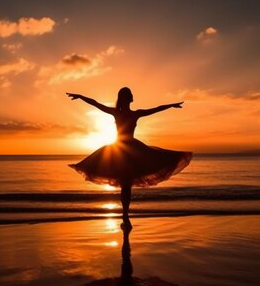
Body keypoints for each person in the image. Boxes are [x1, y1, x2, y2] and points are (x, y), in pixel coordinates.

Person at [67, 87, 192, 229]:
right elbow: (96, 104)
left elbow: (155, 109)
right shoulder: (119, 113)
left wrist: (170, 105)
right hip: (120, 150)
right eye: (130, 94)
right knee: (125, 186)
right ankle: (125, 216)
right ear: (126, 98)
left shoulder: (134, 114)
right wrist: (81, 96)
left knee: (126, 186)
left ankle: (125, 215)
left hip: (129, 150)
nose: (133, 96)